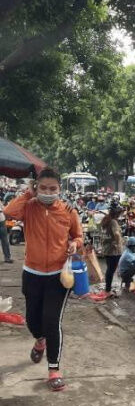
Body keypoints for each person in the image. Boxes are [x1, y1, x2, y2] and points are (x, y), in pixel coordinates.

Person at [4, 168, 83, 392]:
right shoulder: (28, 207)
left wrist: (74, 244)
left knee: (51, 321)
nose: (48, 192)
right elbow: (8, 212)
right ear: (36, 187)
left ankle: (54, 369)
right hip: (32, 273)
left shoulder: (68, 211)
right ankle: (40, 341)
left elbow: (78, 236)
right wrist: (28, 193)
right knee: (32, 319)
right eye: (43, 188)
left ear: (60, 189)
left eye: (53, 188)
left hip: (59, 276)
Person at [101, 206, 124, 296]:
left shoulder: (106, 219)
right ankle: (108, 290)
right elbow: (117, 234)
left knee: (109, 269)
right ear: (117, 214)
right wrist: (118, 244)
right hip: (113, 251)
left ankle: (108, 289)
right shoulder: (113, 221)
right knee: (111, 270)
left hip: (107, 248)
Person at [0, 197, 13, 263]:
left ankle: (7, 257)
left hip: (1, 222)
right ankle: (7, 257)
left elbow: (4, 209)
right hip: (2, 221)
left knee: (5, 240)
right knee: (5, 240)